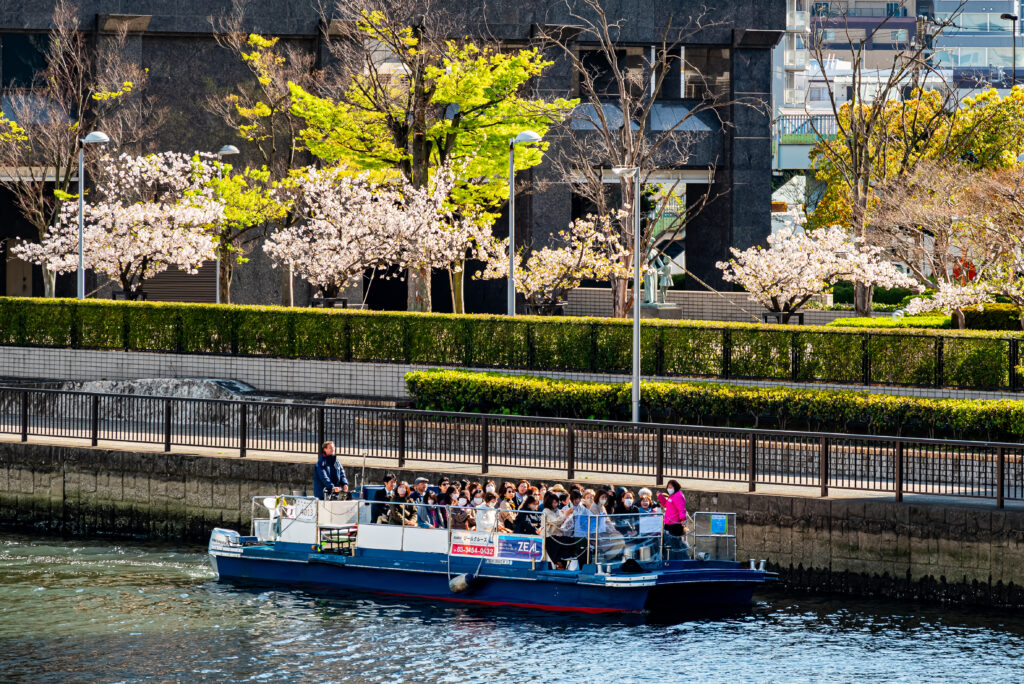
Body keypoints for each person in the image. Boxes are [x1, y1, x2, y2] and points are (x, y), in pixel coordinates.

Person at [541, 492, 574, 567]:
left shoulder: (557, 510)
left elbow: (563, 519)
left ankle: (564, 560)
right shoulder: (546, 511)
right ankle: (559, 561)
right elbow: (556, 521)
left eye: (557, 502)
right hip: (549, 537)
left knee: (569, 539)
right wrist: (566, 514)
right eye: (554, 502)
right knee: (563, 541)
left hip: (557, 535)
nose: (556, 504)